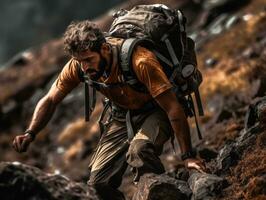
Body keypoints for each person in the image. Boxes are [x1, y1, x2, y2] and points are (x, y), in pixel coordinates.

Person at [13, 20, 206, 200]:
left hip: (158, 109)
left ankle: (159, 193)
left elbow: (173, 107)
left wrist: (188, 157)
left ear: (104, 49)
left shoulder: (140, 61)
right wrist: (30, 133)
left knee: (139, 151)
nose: (84, 67)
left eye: (89, 60)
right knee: (98, 184)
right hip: (122, 113)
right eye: (80, 61)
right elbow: (50, 99)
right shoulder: (78, 65)